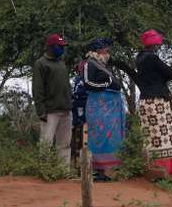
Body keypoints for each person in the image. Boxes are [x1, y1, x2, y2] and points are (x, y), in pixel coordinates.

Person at [133, 29, 172, 179]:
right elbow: (170, 73)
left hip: (144, 101)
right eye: (157, 44)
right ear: (154, 44)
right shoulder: (153, 58)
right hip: (157, 103)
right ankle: (164, 170)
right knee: (164, 135)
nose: (158, 46)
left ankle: (151, 168)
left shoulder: (139, 58)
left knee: (150, 136)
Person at [81, 38, 126, 181]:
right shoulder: (89, 64)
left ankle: (104, 171)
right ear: (98, 50)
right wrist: (106, 85)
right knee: (99, 136)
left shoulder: (102, 64)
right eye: (106, 49)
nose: (108, 52)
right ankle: (96, 171)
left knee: (110, 136)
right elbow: (87, 83)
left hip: (111, 108)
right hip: (99, 107)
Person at [32, 33, 72, 165]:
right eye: (59, 46)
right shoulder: (40, 64)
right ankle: (44, 170)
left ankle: (63, 172)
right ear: (50, 47)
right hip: (50, 111)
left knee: (65, 144)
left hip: (66, 110)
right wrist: (41, 111)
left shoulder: (61, 63)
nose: (61, 49)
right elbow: (37, 89)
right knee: (46, 143)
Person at [70, 60, 89, 170]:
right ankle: (77, 165)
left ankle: (80, 165)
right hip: (79, 110)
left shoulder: (80, 80)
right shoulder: (79, 80)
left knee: (82, 139)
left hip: (82, 110)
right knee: (79, 138)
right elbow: (76, 94)